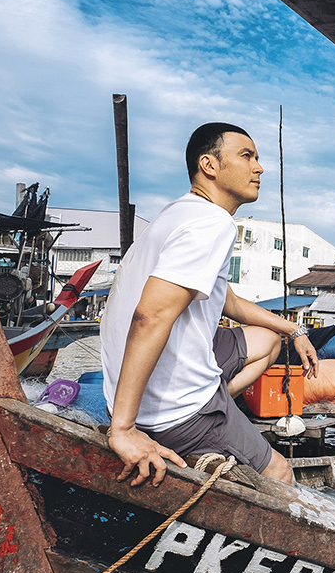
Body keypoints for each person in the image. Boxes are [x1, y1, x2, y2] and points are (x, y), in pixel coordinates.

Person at [101, 123, 318, 488]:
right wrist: (123, 428)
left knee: (267, 340)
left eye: (258, 158)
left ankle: (220, 400)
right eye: (246, 156)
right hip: (170, 409)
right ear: (210, 165)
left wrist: (293, 330)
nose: (259, 168)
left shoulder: (178, 214)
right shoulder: (212, 224)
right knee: (279, 472)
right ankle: (206, 415)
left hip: (128, 381)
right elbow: (150, 315)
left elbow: (228, 299)